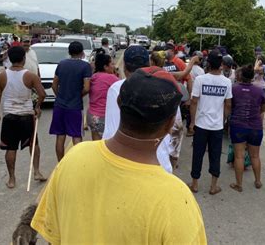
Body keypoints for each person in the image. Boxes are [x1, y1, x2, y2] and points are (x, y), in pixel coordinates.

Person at [31, 66, 206, 244]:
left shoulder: (74, 157)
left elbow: (54, 236)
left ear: (118, 103)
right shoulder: (177, 200)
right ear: (170, 124)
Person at [103, 46, 175, 173]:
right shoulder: (165, 89)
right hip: (159, 164)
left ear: (125, 68)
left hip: (120, 164)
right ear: (149, 65)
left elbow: (110, 130)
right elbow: (176, 127)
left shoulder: (116, 89)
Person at [0, 47, 47, 189]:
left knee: (10, 148)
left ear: (9, 59)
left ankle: (12, 179)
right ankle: (36, 171)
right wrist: (37, 107)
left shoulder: (2, 76)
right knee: (33, 144)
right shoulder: (31, 76)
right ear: (24, 58)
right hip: (26, 115)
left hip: (9, 116)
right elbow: (42, 94)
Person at [188, 49, 232, 195]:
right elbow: (228, 105)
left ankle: (195, 184)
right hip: (217, 126)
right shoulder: (226, 82)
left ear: (208, 63)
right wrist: (223, 119)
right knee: (215, 155)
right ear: (221, 64)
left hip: (201, 124)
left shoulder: (200, 80)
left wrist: (192, 122)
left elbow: (194, 102)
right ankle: (213, 186)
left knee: (198, 154)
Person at [50, 41, 92, 161]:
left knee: (60, 136)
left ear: (69, 52)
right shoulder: (85, 66)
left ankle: (60, 163)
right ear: (82, 52)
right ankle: (77, 164)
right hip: (75, 107)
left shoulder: (62, 64)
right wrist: (78, 95)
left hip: (59, 105)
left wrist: (60, 96)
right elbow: (87, 87)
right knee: (76, 136)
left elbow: (54, 85)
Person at [229, 65, 265, 192]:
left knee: (239, 156)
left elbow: (230, 106)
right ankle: (258, 181)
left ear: (240, 76)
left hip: (238, 125)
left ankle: (239, 184)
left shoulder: (234, 89)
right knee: (255, 156)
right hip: (255, 126)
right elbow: (263, 107)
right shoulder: (259, 90)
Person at [163, 42, 194, 136]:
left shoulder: (179, 62)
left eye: (166, 50)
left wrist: (189, 98)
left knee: (175, 123)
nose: (164, 52)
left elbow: (189, 79)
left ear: (172, 51)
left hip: (177, 99)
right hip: (163, 98)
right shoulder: (162, 61)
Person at [87, 52, 118, 140]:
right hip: (103, 117)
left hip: (92, 116)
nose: (114, 66)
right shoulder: (111, 78)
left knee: (96, 143)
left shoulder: (94, 76)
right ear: (105, 67)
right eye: (111, 64)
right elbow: (122, 87)